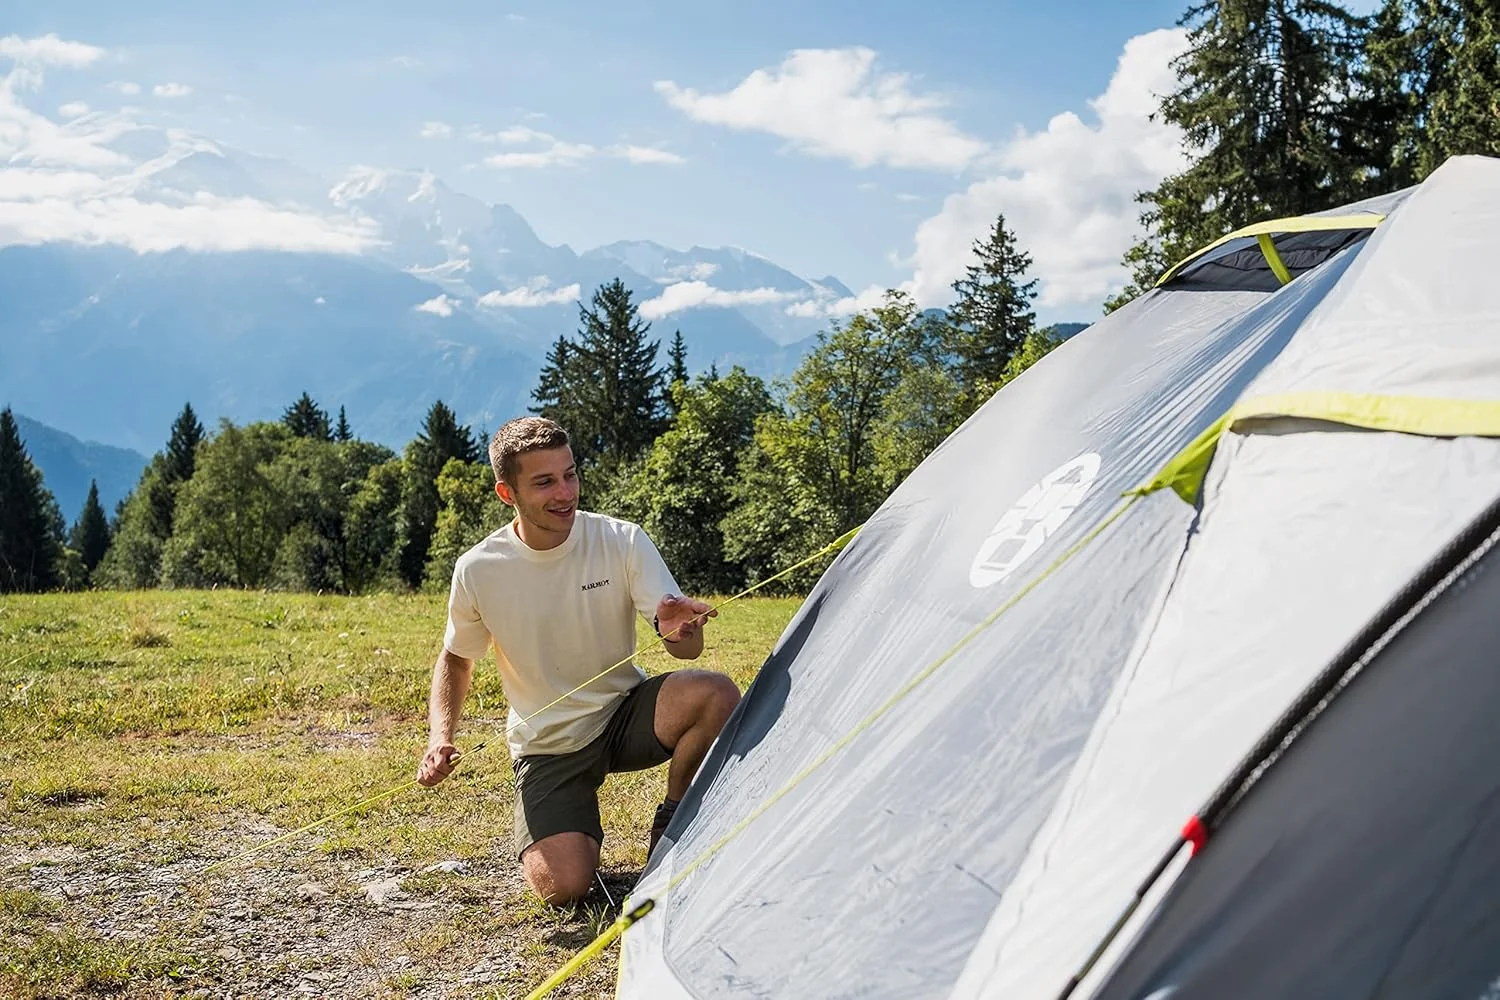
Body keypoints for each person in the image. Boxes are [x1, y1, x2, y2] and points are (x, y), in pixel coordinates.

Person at [415, 415, 742, 905]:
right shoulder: (478, 569)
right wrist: (441, 738)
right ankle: (561, 825)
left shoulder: (621, 539)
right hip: (547, 744)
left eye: (570, 474)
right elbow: (456, 660)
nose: (565, 492)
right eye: (544, 482)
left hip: (624, 711)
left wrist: (678, 630)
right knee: (564, 889)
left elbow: (686, 646)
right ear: (508, 494)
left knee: (714, 693)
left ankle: (676, 820)